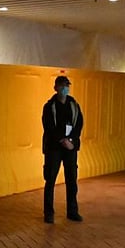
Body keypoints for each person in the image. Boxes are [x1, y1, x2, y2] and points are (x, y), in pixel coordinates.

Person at [41, 75, 84, 224]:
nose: (65, 88)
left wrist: (71, 141)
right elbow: (48, 127)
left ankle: (72, 211)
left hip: (70, 148)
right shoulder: (49, 106)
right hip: (54, 148)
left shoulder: (73, 105)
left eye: (67, 86)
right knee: (50, 180)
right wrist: (62, 140)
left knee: (71, 179)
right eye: (62, 86)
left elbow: (78, 124)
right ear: (56, 88)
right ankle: (49, 213)